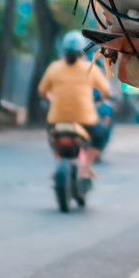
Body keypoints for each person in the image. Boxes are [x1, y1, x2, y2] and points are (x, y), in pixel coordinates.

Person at [38, 32, 112, 178]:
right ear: (81, 52)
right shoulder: (90, 68)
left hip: (57, 119)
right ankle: (85, 167)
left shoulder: (54, 67)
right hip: (85, 119)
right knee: (101, 135)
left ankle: (59, 162)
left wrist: (52, 99)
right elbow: (107, 92)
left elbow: (42, 92)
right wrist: (101, 100)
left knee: (52, 136)